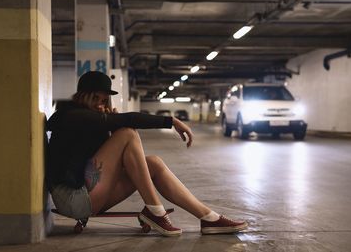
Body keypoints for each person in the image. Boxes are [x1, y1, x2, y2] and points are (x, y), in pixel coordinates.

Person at [47, 71, 248, 236]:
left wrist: (111, 128)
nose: (100, 103)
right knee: (127, 132)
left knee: (154, 163)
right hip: (73, 199)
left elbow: (102, 157)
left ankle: (208, 218)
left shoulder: (94, 119)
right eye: (95, 98)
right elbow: (128, 121)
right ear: (83, 96)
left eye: (104, 99)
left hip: (88, 192)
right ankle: (155, 210)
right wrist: (171, 121)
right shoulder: (71, 115)